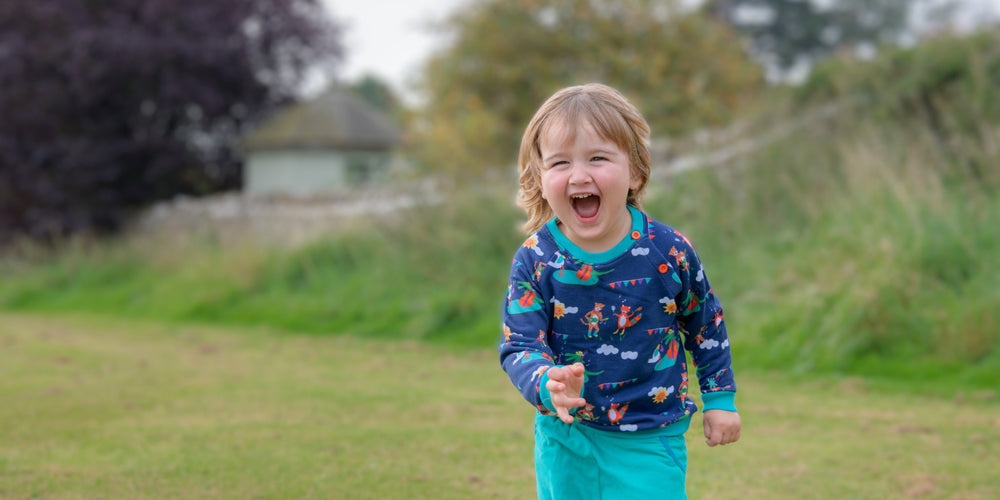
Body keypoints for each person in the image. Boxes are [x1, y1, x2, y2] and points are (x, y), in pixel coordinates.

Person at [500, 83, 740, 500]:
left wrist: (720, 398)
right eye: (559, 162)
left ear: (636, 170)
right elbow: (520, 342)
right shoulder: (536, 259)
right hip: (566, 433)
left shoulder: (668, 251)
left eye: (597, 158)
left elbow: (706, 325)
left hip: (651, 434)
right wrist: (545, 382)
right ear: (540, 179)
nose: (579, 175)